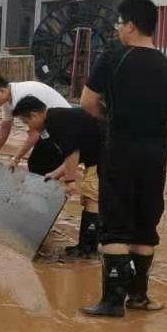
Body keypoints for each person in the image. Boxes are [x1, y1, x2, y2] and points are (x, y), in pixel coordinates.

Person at [79, 0, 167, 317]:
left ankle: (112, 302)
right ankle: (139, 297)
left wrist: (112, 119)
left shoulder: (112, 58)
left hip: (119, 151)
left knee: (115, 225)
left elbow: (87, 103)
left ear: (130, 25)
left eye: (119, 24)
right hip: (154, 156)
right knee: (145, 225)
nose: (117, 30)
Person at [11, 96, 103, 259]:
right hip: (98, 154)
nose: (28, 127)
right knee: (89, 198)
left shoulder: (55, 123)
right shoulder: (55, 118)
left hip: (105, 154)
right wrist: (55, 174)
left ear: (34, 115)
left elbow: (73, 152)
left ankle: (88, 250)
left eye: (26, 122)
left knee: (91, 198)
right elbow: (74, 154)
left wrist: (70, 181)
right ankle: (85, 247)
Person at [0, 73, 71, 174]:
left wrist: (16, 158)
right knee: (38, 163)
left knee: (39, 165)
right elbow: (5, 128)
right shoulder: (8, 99)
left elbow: (34, 135)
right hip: (50, 128)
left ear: (1, 90)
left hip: (65, 127)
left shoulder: (21, 97)